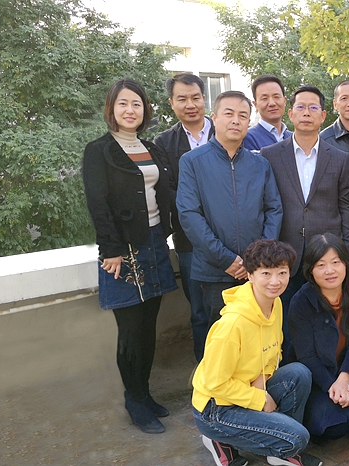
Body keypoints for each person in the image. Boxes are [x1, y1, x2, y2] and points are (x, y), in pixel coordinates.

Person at [82, 78, 178, 433]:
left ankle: (144, 393)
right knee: (130, 330)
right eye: (123, 103)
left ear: (145, 110)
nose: (130, 110)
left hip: (154, 243)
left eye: (136, 104)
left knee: (149, 326)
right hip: (123, 250)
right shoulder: (99, 150)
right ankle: (134, 400)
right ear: (111, 108)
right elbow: (98, 203)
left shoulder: (151, 148)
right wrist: (110, 250)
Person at [192, 239, 323, 466]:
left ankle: (279, 450)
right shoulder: (232, 325)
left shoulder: (275, 303)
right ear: (250, 275)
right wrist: (259, 399)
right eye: (266, 273)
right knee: (298, 438)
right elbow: (215, 384)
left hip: (247, 387)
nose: (275, 281)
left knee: (299, 373)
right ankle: (219, 438)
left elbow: (274, 351)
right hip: (215, 409)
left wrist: (262, 379)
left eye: (282, 273)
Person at [261, 85, 349, 362]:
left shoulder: (340, 159)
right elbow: (265, 205)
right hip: (284, 253)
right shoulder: (269, 155)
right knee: (285, 320)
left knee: (326, 320)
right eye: (300, 107)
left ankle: (325, 375)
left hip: (326, 255)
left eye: (313, 107)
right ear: (290, 114)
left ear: (323, 115)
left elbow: (346, 208)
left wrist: (348, 254)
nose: (306, 113)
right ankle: (290, 374)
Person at [177, 90, 283, 337]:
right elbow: (189, 214)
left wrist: (258, 259)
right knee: (219, 339)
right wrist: (226, 259)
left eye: (243, 115)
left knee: (257, 337)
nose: (236, 120)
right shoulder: (193, 161)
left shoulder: (260, 164)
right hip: (215, 271)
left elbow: (274, 208)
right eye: (229, 113)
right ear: (214, 118)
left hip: (257, 271)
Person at [288, 234, 349, 452]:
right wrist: (332, 386)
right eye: (321, 265)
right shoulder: (300, 301)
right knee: (334, 425)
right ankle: (345, 414)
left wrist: (344, 379)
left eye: (335, 262)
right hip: (320, 378)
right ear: (310, 270)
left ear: (345, 264)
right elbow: (306, 356)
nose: (330, 271)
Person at [153, 73, 215, 361]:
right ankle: (206, 374)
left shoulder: (226, 131)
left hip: (234, 237)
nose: (190, 104)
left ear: (204, 98)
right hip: (190, 240)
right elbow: (168, 191)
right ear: (171, 103)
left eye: (195, 97)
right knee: (200, 312)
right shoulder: (164, 142)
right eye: (182, 99)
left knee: (239, 308)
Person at [243, 75, 292, 151]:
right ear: (255, 105)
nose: (272, 103)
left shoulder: (294, 138)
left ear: (284, 101)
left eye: (276, 97)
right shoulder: (247, 138)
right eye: (264, 98)